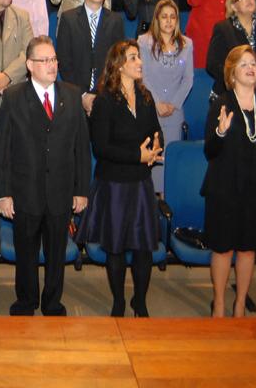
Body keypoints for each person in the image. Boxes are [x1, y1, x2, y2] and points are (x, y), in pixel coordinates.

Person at [0, 35, 90, 316]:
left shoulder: (72, 96)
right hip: (25, 192)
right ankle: (26, 300)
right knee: (26, 253)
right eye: (44, 60)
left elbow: (82, 148)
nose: (52, 65)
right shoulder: (13, 97)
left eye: (54, 59)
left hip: (61, 192)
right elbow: (2, 150)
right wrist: (3, 193)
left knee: (56, 253)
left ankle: (52, 301)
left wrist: (81, 189)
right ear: (29, 65)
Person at [79, 39, 163, 317]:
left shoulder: (146, 97)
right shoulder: (105, 100)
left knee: (143, 248)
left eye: (139, 57)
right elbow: (100, 147)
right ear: (119, 66)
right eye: (133, 58)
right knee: (115, 247)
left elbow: (156, 132)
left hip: (140, 182)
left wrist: (154, 149)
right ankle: (118, 302)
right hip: (114, 184)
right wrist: (136, 155)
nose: (139, 62)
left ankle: (140, 301)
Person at [203, 44, 256, 318]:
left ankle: (239, 305)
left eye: (254, 63)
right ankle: (219, 303)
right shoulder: (221, 103)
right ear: (232, 73)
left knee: (248, 249)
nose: (251, 68)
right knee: (224, 249)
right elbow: (210, 151)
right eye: (244, 64)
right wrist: (220, 131)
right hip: (224, 188)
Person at [138, 0, 193, 191]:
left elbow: (188, 80)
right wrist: (158, 103)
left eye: (172, 17)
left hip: (175, 112)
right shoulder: (144, 42)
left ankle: (169, 205)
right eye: (164, 17)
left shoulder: (187, 44)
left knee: (171, 161)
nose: (169, 21)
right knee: (152, 160)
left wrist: (173, 104)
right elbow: (143, 76)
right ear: (157, 19)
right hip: (151, 109)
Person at [55, 0, 125, 115]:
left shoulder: (115, 21)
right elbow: (64, 62)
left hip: (107, 97)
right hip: (75, 97)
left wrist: (102, 94)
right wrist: (82, 95)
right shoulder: (68, 19)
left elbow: (117, 62)